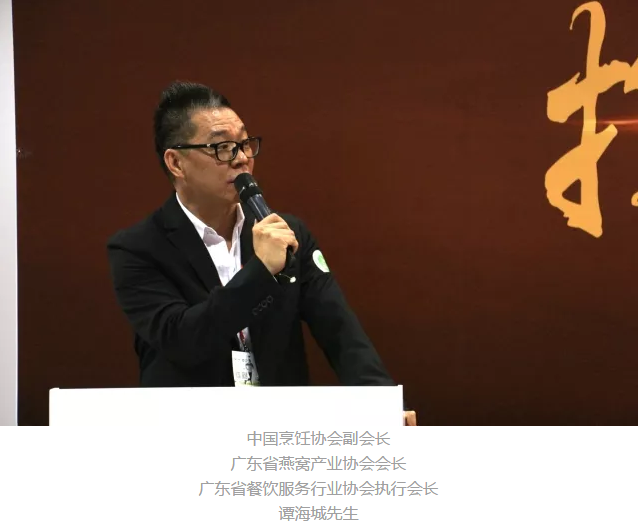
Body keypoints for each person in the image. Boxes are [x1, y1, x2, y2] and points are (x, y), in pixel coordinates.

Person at [107, 81, 416, 425]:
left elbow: (341, 332)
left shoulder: (287, 234)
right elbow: (182, 339)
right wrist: (261, 272)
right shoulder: (137, 248)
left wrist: (381, 405)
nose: (241, 158)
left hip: (278, 428)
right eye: (222, 147)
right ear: (176, 162)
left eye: (244, 144)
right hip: (189, 429)